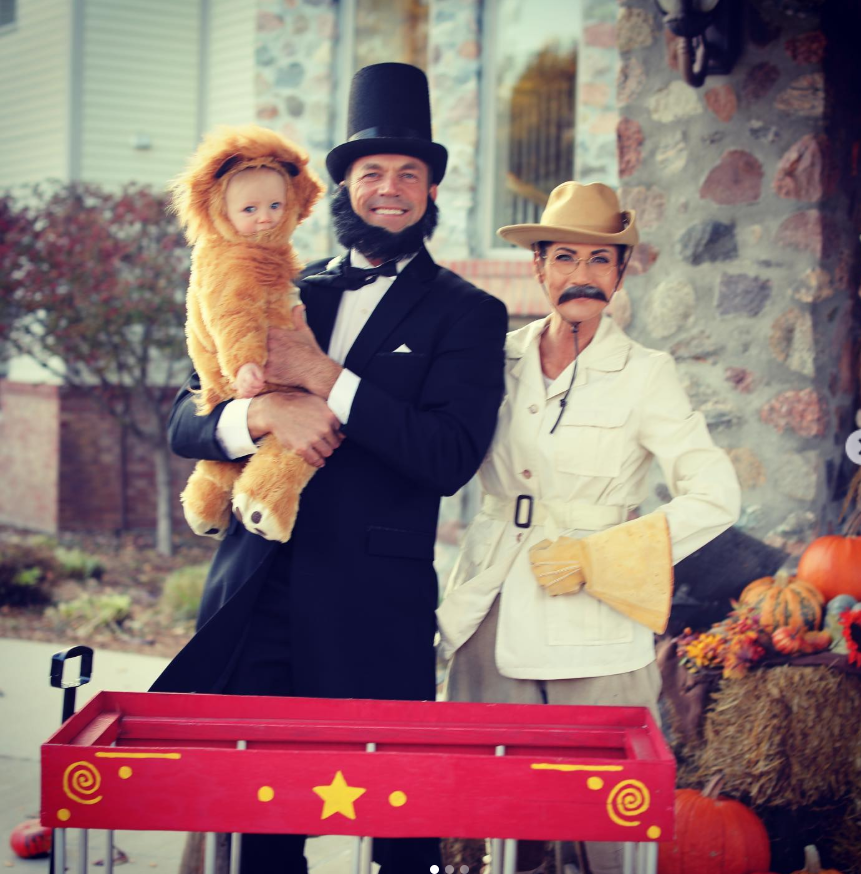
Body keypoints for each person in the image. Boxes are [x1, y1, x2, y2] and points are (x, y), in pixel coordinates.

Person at [152, 63, 508, 874]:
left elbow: (449, 456)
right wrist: (260, 414)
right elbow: (184, 416)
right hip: (257, 592)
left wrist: (327, 382)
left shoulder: (470, 312)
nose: (390, 189)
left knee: (399, 834)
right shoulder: (276, 280)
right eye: (371, 173)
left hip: (372, 609)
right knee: (258, 835)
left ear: (429, 194)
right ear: (342, 188)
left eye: (409, 176)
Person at [437, 181, 742, 874]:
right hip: (488, 603)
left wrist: (604, 556)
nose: (584, 276)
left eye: (602, 261)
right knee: (485, 816)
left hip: (595, 622)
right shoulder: (496, 358)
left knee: (613, 821)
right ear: (537, 267)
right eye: (567, 257)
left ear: (621, 272)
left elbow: (718, 495)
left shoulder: (646, 374)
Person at [169, 124, 324, 544]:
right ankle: (265, 496)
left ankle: (206, 499)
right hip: (247, 372)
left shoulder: (274, 259)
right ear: (222, 211)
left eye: (275, 205)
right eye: (250, 210)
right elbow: (233, 313)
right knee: (309, 432)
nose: (266, 218)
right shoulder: (236, 260)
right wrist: (246, 365)